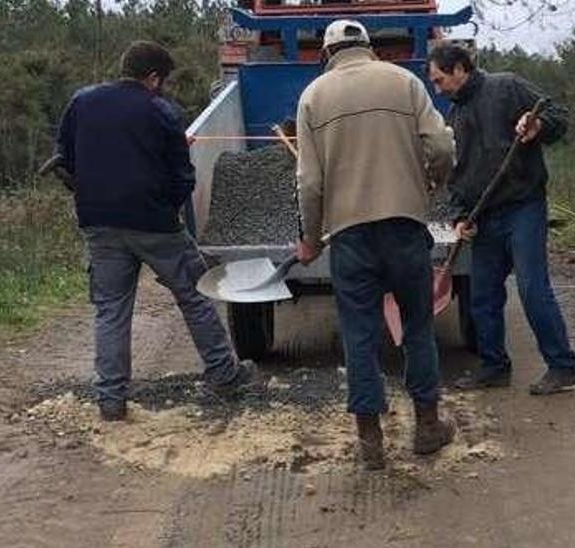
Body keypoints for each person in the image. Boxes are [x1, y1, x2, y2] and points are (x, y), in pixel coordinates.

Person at [56, 40, 255, 422]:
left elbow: (65, 159)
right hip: (155, 225)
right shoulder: (161, 111)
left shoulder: (82, 101)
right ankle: (224, 376)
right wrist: (168, 209)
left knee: (111, 311)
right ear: (152, 78)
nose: (162, 87)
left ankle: (111, 400)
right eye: (161, 81)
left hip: (99, 223)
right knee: (196, 295)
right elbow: (183, 177)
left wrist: (89, 193)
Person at [293, 20, 457, 470]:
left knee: (359, 334)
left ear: (327, 55)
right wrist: (430, 184)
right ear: (369, 48)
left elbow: (309, 182)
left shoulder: (314, 96)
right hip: (404, 227)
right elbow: (442, 145)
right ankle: (427, 427)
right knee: (417, 326)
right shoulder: (404, 81)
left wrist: (309, 240)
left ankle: (370, 441)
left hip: (349, 236)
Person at [426, 43, 575, 396]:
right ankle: (494, 367)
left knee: (532, 288)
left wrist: (538, 124)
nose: (438, 90)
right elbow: (458, 177)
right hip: (485, 217)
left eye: (439, 80)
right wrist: (460, 217)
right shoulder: (455, 117)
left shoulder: (508, 86)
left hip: (523, 207)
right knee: (482, 296)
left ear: (460, 69)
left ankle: (563, 367)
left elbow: (560, 117)